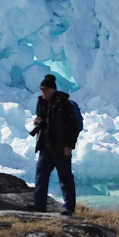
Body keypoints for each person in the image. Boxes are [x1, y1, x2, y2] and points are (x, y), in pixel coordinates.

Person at [27, 73, 79, 216]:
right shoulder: (41, 102)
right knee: (41, 174)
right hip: (46, 145)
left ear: (52, 89)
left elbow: (73, 127)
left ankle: (69, 207)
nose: (42, 92)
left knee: (65, 177)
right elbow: (40, 118)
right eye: (41, 90)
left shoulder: (64, 104)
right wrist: (37, 122)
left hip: (61, 147)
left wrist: (69, 145)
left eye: (44, 89)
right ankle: (39, 203)